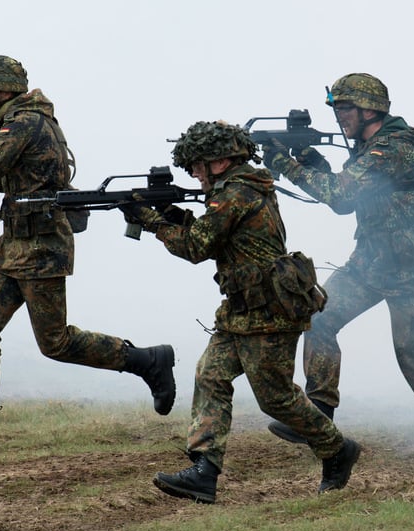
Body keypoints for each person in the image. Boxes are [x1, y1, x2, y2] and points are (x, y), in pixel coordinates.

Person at [0, 55, 176, 450]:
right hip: (15, 247)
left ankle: (147, 361)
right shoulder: (23, 121)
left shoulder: (23, 123)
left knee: (55, 343)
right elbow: (8, 176)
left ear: (5, 90)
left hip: (40, 250)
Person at [261, 73, 414, 462]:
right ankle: (319, 412)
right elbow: (351, 195)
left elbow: (340, 195)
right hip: (369, 263)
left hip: (411, 270)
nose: (339, 117)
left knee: (413, 355)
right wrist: (311, 160)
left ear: (371, 110)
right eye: (337, 109)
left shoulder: (393, 150)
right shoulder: (370, 148)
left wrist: (287, 165)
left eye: (346, 108)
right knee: (319, 318)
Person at [132, 120, 360, 504]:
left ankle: (337, 450)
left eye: (197, 164)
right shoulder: (234, 191)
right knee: (210, 375)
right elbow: (212, 234)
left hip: (269, 312)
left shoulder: (237, 192)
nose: (192, 172)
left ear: (220, 161)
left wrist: (153, 221)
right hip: (241, 310)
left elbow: (196, 247)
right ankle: (204, 470)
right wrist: (172, 214)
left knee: (277, 399)